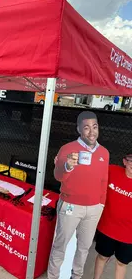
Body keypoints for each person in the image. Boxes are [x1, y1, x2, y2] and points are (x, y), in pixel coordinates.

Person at [47, 111, 109, 279]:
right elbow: (58, 176)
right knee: (61, 245)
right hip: (70, 206)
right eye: (86, 127)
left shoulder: (104, 152)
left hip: (94, 209)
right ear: (79, 129)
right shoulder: (67, 149)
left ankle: (76, 276)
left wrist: (101, 204)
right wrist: (68, 166)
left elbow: (104, 181)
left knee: (84, 247)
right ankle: (53, 276)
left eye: (94, 127)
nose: (91, 132)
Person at [93, 155, 132, 279]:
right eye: (131, 161)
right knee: (102, 256)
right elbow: (91, 170)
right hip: (107, 227)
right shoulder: (112, 171)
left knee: (121, 263)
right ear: (124, 161)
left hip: (128, 234)